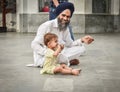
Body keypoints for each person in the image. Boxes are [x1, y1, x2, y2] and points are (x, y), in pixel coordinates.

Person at [29, 2, 94, 68]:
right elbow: (34, 44)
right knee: (60, 55)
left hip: (58, 54)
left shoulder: (65, 28)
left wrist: (82, 40)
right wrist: (49, 53)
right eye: (63, 15)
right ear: (58, 15)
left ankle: (63, 61)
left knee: (81, 48)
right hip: (44, 57)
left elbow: (70, 44)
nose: (65, 18)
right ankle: (65, 61)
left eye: (68, 17)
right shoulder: (46, 26)